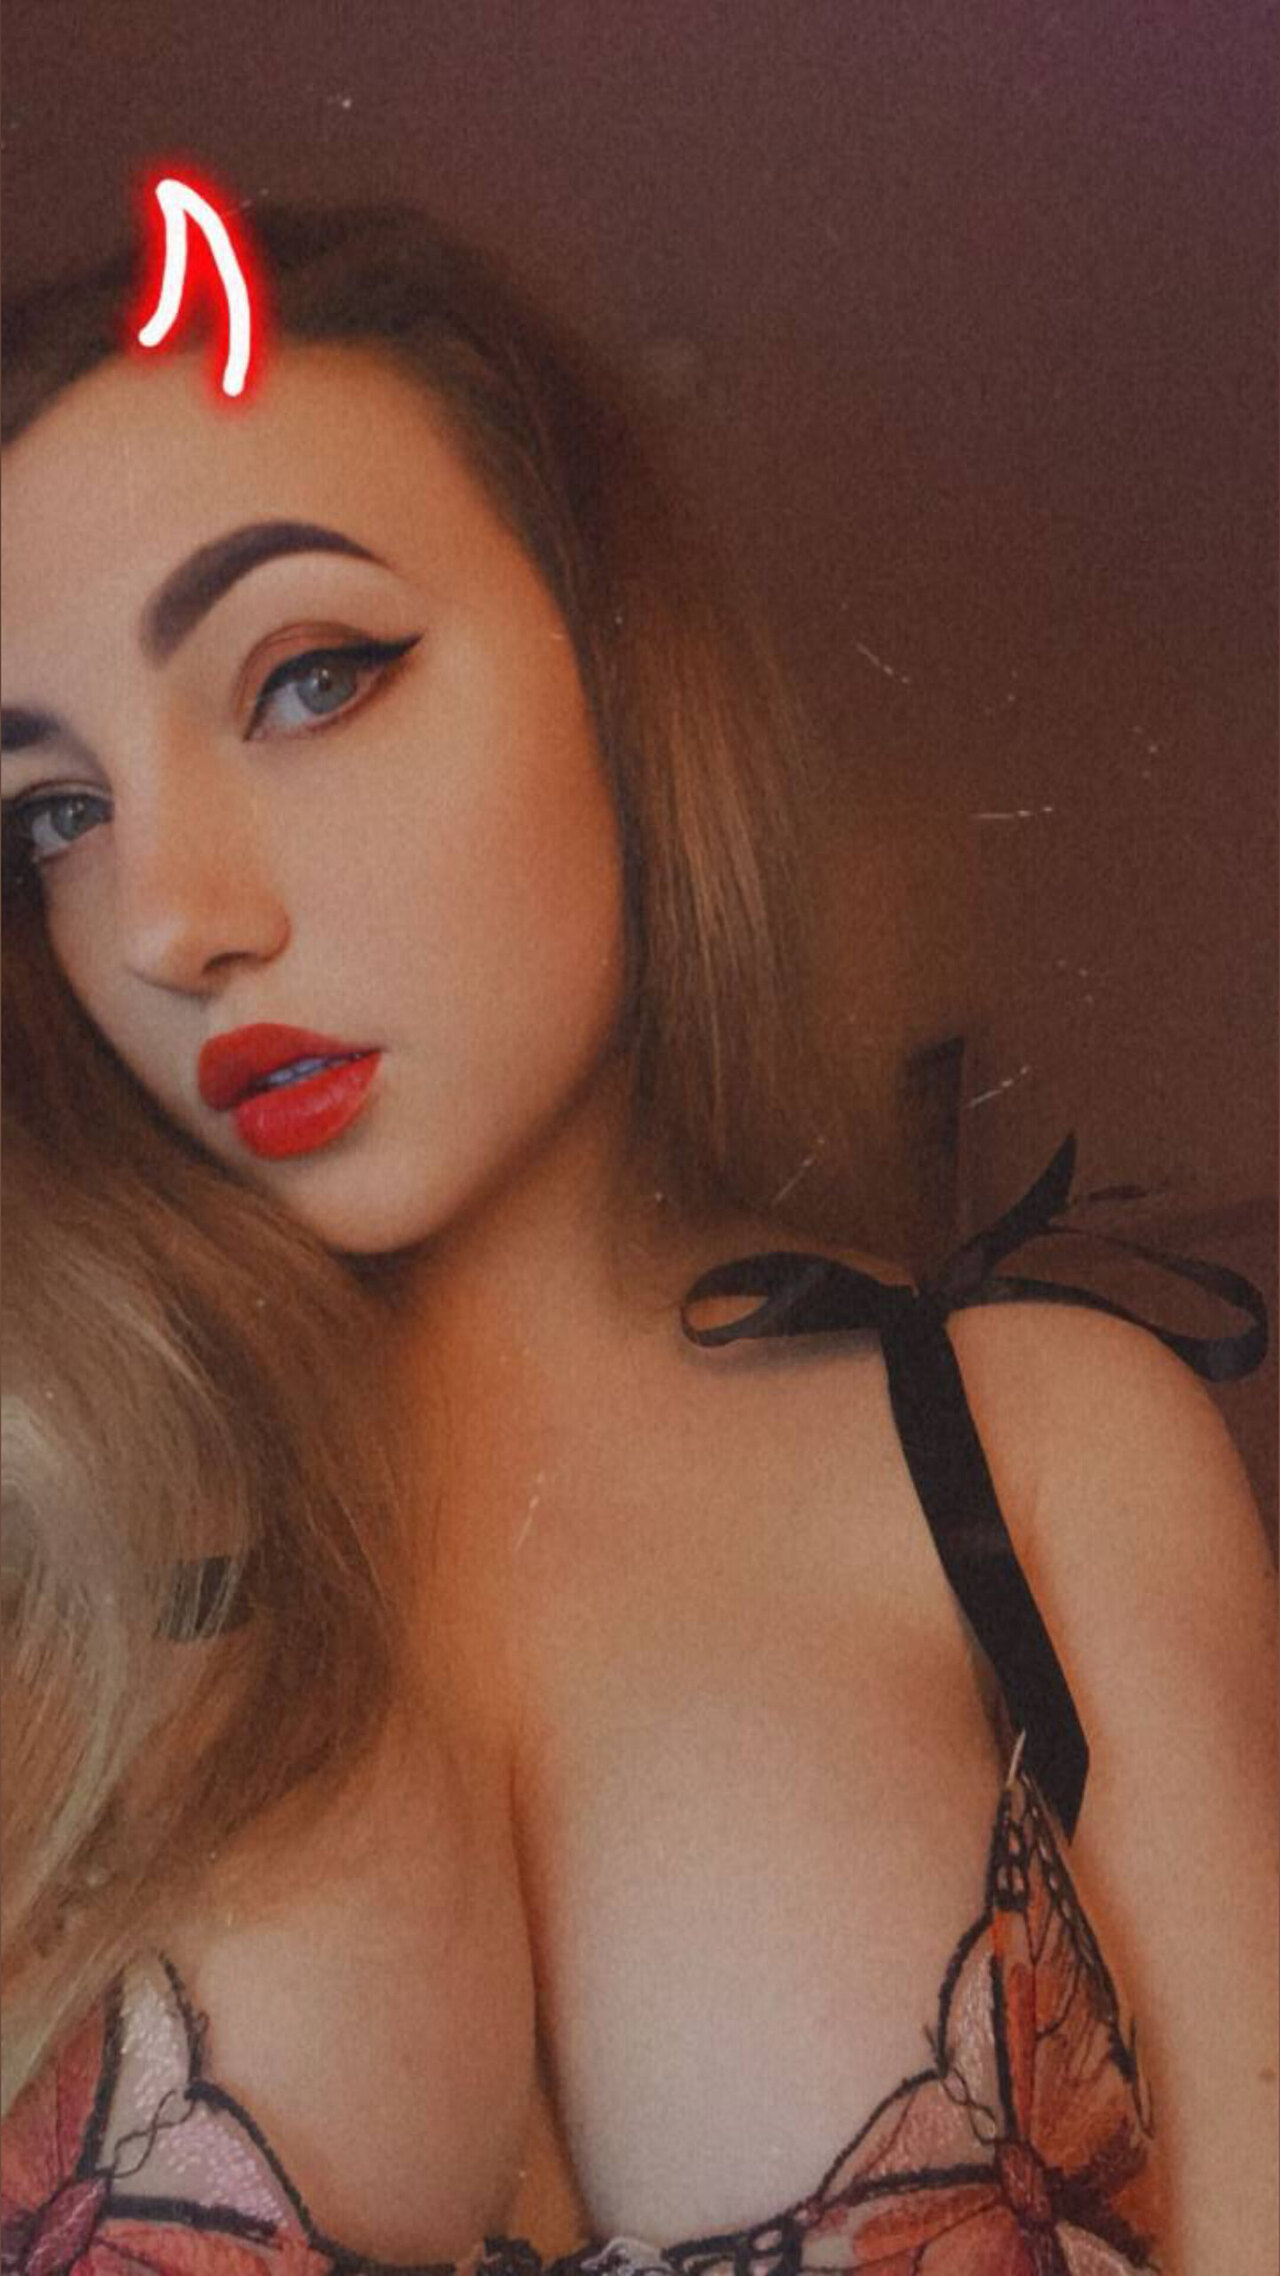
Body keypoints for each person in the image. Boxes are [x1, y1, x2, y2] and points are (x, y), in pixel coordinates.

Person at [1, 200, 1275, 2274]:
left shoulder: (1036, 1449)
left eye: (308, 677)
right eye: (54, 813)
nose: (165, 921)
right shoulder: (44, 1547)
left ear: (615, 669)